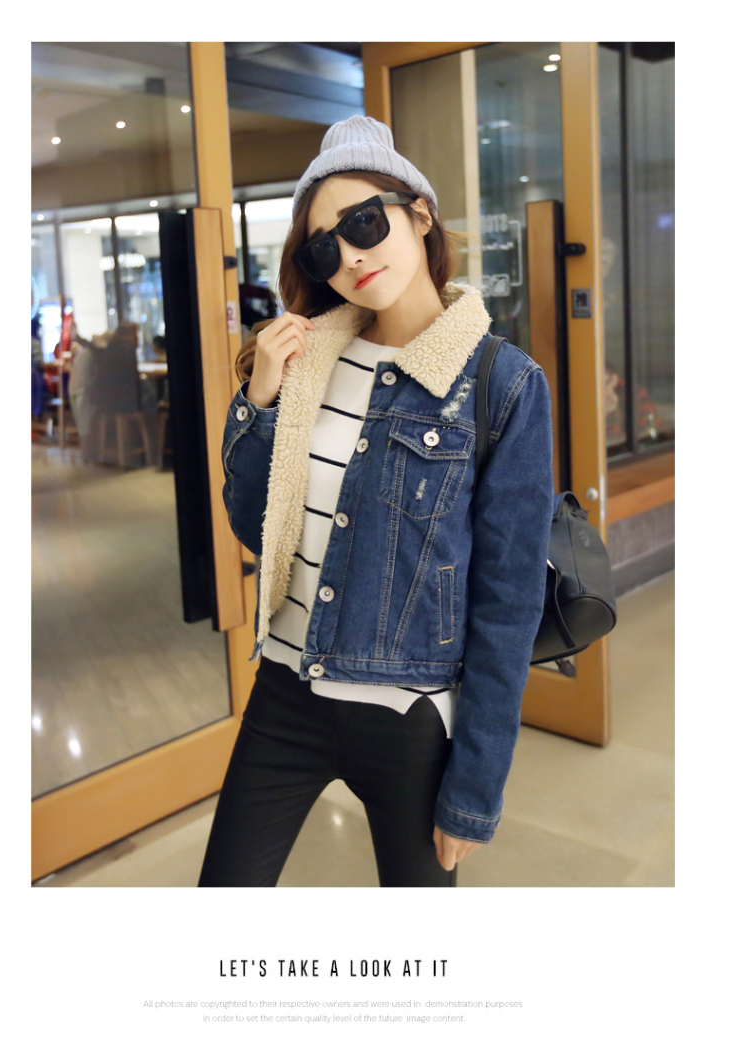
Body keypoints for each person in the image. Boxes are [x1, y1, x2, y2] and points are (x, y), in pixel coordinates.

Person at [198, 116, 554, 888]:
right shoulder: (308, 362)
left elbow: (508, 600)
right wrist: (260, 400)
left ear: (419, 213)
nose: (350, 256)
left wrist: (476, 786)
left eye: (363, 223)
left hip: (408, 718)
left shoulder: (503, 384)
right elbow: (253, 525)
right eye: (323, 248)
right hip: (284, 696)